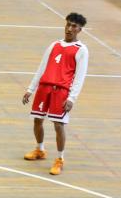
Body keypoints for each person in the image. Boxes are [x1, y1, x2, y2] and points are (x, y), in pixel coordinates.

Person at [22, 13, 89, 177]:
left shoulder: (81, 50)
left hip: (61, 91)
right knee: (37, 120)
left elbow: (80, 77)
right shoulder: (54, 45)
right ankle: (40, 149)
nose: (69, 28)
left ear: (80, 30)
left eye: (74, 26)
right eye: (68, 24)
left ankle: (60, 159)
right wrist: (31, 89)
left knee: (58, 125)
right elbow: (42, 67)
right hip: (44, 88)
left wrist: (72, 98)